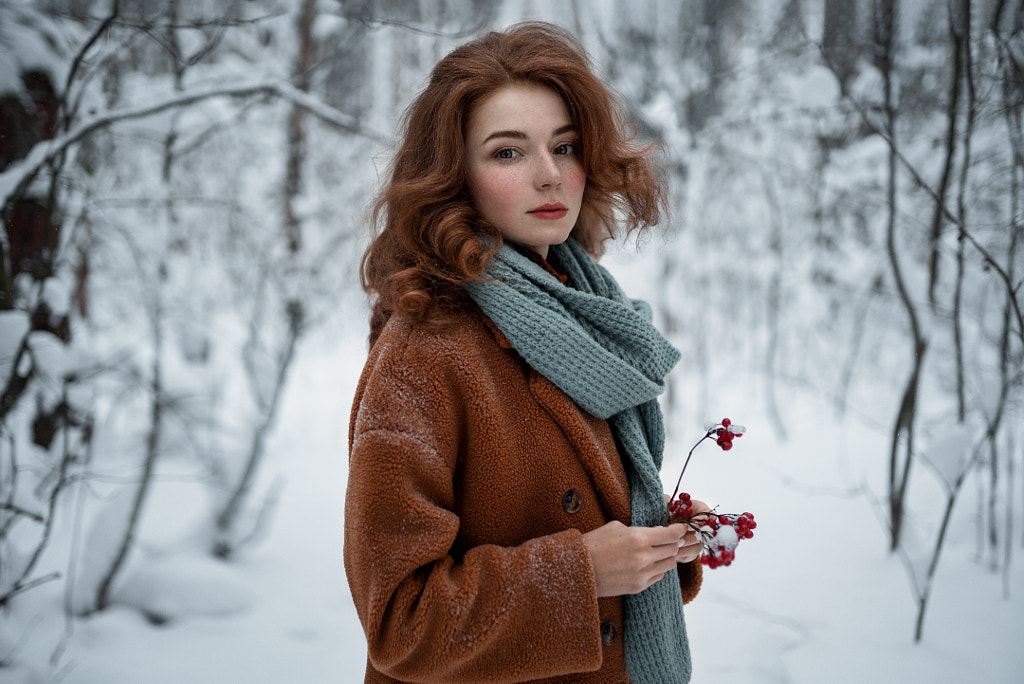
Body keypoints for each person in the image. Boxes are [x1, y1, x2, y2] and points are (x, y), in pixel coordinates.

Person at [344, 21, 708, 683]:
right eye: (508, 153)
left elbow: (579, 510)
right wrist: (584, 572)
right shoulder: (425, 351)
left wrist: (657, 542)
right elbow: (399, 621)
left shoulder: (582, 315)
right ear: (455, 175)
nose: (550, 175)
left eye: (565, 146)